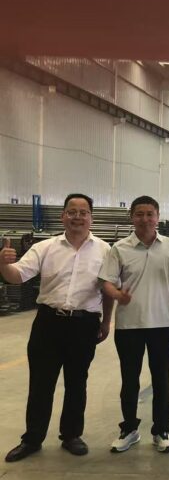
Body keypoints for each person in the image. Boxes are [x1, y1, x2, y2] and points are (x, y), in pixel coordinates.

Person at [0, 194, 114, 462]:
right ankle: (32, 438)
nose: (77, 217)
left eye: (83, 212)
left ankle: (71, 435)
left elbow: (107, 290)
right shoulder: (45, 248)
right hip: (48, 324)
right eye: (72, 212)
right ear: (63, 216)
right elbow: (17, 276)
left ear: (91, 218)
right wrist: (3, 263)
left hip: (84, 324)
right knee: (41, 383)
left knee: (77, 382)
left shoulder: (105, 250)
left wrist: (106, 321)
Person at [99, 196, 169, 454]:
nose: (145, 219)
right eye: (139, 214)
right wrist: (117, 295)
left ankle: (161, 430)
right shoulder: (119, 248)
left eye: (150, 214)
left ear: (157, 217)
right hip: (129, 326)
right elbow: (106, 283)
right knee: (129, 381)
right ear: (132, 217)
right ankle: (129, 429)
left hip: (162, 324)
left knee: (161, 380)